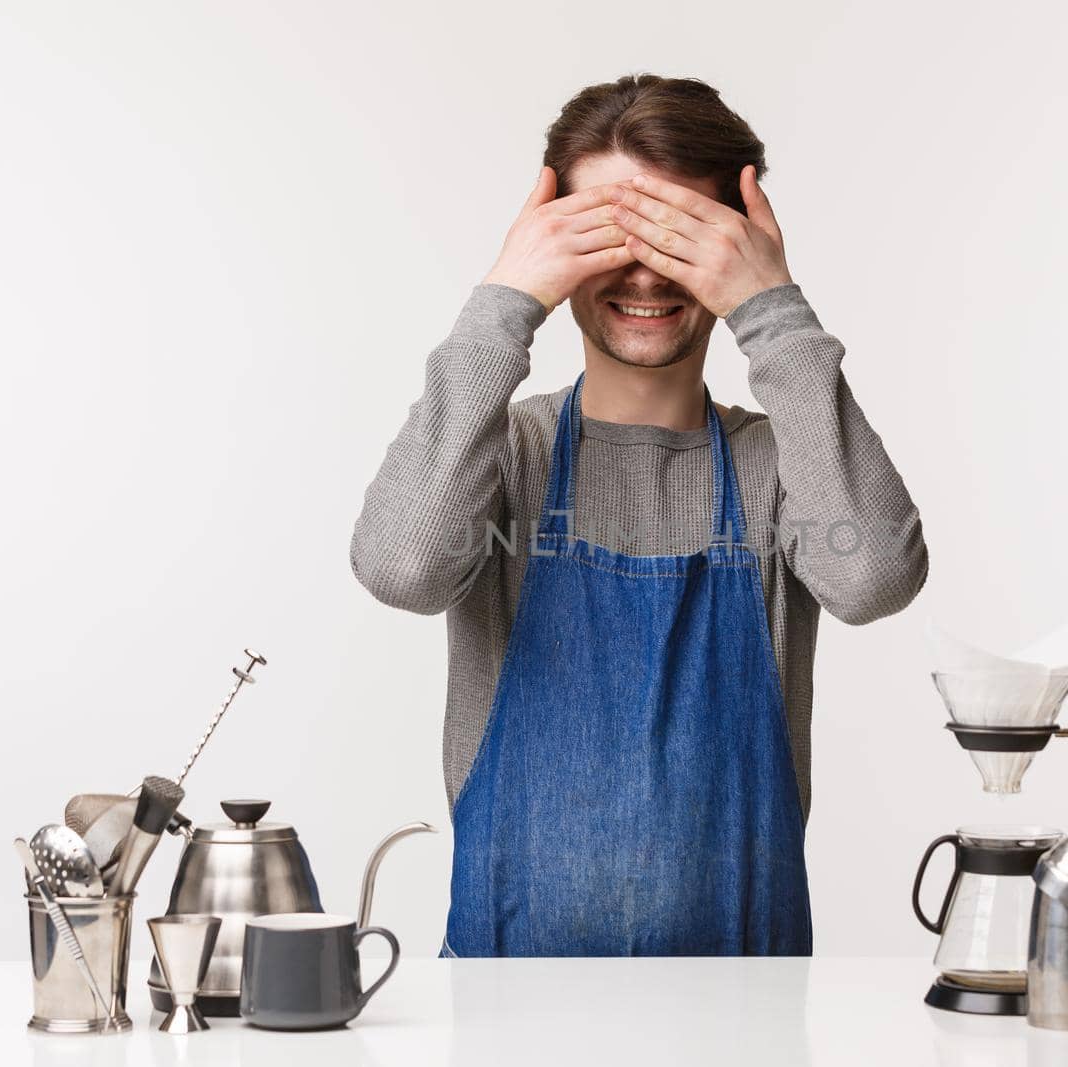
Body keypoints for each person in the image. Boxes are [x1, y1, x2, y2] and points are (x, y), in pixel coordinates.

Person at [350, 73, 928, 957]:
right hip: (509, 1012)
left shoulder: (781, 466)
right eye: (608, 234)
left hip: (749, 1013)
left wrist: (774, 312)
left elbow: (875, 576)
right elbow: (400, 564)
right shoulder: (504, 454)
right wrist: (504, 300)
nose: (647, 269)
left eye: (682, 235)